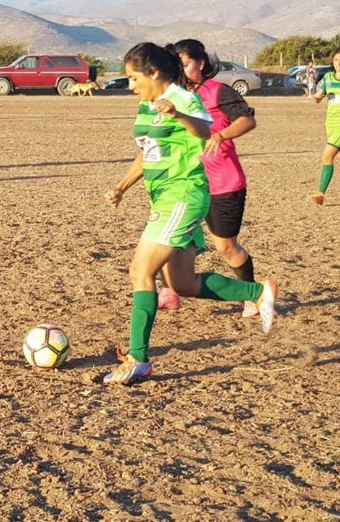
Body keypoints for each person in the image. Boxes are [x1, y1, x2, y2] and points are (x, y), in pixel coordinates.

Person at [102, 42, 277, 385]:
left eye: (134, 78)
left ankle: (138, 358)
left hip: (183, 194)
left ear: (154, 73)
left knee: (140, 270)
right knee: (182, 283)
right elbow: (147, 153)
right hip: (163, 196)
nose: (132, 85)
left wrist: (178, 114)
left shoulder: (183, 98)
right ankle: (258, 293)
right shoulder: (146, 105)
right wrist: (122, 186)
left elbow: (204, 129)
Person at [156, 39, 259, 318]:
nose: (182, 70)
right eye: (177, 65)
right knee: (170, 238)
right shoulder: (171, 98)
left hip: (223, 183)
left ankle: (252, 295)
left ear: (201, 63)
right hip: (186, 183)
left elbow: (247, 120)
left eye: (186, 64)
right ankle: (170, 293)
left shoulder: (217, 92)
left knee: (225, 247)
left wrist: (220, 134)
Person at [311, 48, 340, 205]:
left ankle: (320, 193)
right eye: (336, 60)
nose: (339, 63)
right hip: (330, 123)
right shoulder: (328, 78)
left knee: (327, 156)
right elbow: (317, 98)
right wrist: (318, 96)